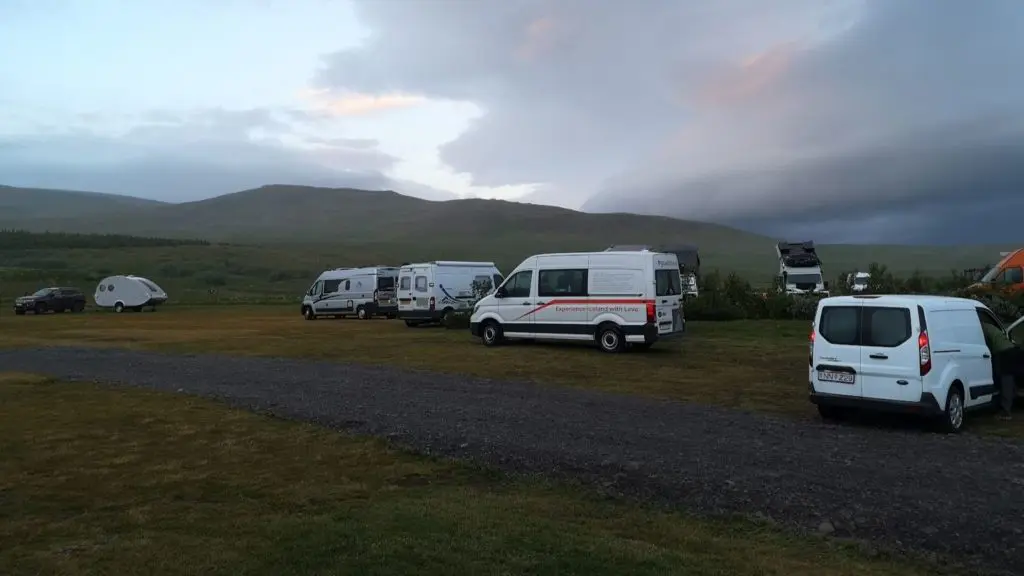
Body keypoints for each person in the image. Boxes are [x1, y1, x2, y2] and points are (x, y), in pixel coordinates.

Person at [980, 321, 1023, 418]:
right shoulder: (989, 325)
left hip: (1003, 353)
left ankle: (1006, 411)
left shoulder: (980, 328)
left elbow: (986, 345)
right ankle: (1012, 400)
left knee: (1005, 379)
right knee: (1009, 378)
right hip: (1011, 349)